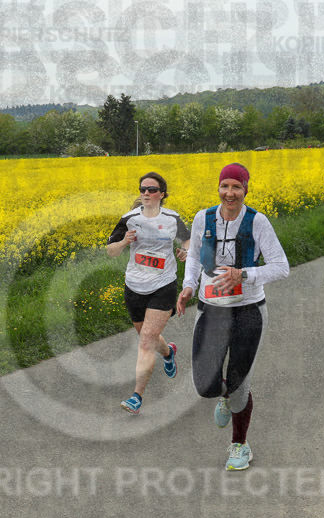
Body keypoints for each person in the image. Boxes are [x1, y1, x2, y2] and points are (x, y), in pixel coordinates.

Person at [176, 163, 289, 470]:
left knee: (241, 385)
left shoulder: (257, 222)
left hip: (248, 311)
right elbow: (196, 256)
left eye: (236, 187)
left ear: (245, 190)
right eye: (225, 186)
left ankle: (240, 445)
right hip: (210, 309)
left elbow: (281, 266)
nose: (230, 193)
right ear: (218, 189)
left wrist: (245, 274)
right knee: (204, 384)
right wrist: (189, 286)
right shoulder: (203, 218)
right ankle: (225, 394)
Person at [106, 172, 190, 414]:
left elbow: (188, 241)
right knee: (147, 335)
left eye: (152, 190)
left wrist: (185, 252)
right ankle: (168, 352)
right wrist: (123, 243)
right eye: (143, 189)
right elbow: (110, 251)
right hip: (134, 285)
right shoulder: (129, 219)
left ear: (162, 194)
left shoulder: (173, 218)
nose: (146, 193)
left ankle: (136, 396)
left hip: (163, 285)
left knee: (145, 340)